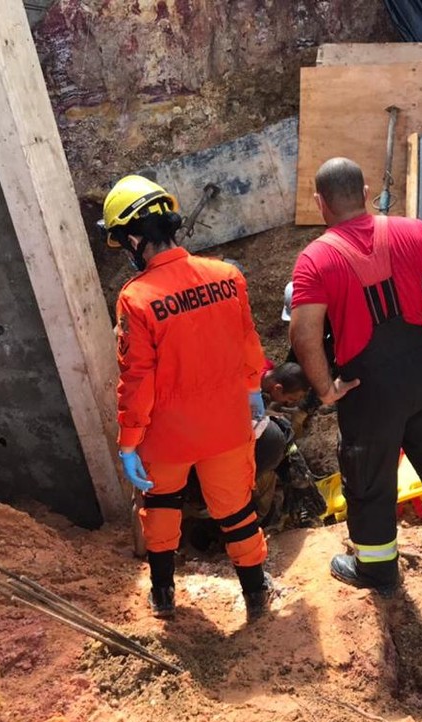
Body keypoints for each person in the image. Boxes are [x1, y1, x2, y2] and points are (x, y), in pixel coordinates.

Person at [289, 157, 422, 594]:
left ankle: (377, 571)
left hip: (367, 392)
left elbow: (304, 333)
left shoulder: (315, 260)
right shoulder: (410, 230)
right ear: (364, 193)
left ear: (320, 204)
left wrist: (326, 390)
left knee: (369, 483)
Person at [104, 174, 273, 618]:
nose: (126, 251)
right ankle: (256, 594)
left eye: (123, 242)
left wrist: (128, 443)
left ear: (136, 237)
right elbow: (248, 342)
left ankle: (162, 596)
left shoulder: (137, 298)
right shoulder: (227, 276)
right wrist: (253, 387)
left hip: (168, 435)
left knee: (161, 508)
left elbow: (137, 379)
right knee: (237, 511)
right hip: (227, 425)